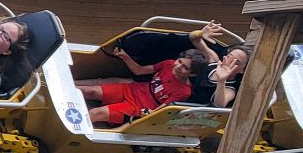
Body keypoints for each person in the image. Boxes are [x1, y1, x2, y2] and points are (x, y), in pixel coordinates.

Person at [76, 48, 208, 124]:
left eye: (185, 67)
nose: (178, 66)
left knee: (95, 113)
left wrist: (145, 115)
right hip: (133, 89)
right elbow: (139, 70)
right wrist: (125, 57)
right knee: (89, 91)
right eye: (179, 61)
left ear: (192, 74)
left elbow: (162, 109)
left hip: (140, 107)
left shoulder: (184, 91)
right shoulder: (169, 64)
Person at [187, 21, 253, 107]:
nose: (229, 61)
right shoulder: (214, 60)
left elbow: (219, 105)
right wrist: (201, 33)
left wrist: (221, 81)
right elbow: (194, 39)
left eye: (236, 62)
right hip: (183, 93)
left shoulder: (230, 89)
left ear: (242, 70)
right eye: (230, 56)